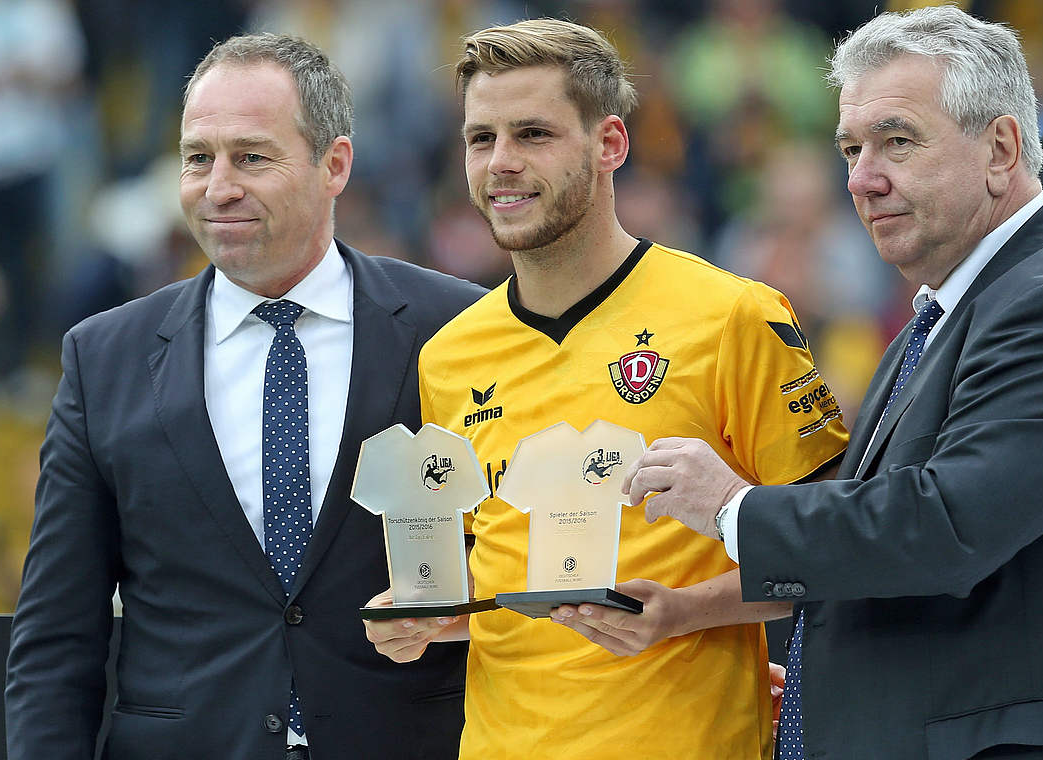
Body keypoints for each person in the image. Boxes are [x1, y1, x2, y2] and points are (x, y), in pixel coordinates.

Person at [626, 6, 1043, 759]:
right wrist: (829, 691)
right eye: (849, 150)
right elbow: (908, 559)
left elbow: (942, 529)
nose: (863, 180)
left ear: (1000, 147)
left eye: (896, 141)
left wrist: (734, 509)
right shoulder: (934, 324)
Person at [362, 19, 849, 759]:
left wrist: (684, 612)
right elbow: (495, 572)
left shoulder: (732, 317)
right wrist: (421, 614)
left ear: (610, 145)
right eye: (480, 138)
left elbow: (835, 551)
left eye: (533, 134)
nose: (501, 164)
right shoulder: (450, 356)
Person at [5, 34, 484, 759]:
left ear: (335, 165)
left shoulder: (457, 328)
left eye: (251, 157)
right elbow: (56, 636)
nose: (218, 186)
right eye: (198, 158)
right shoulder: (102, 358)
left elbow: (517, 563)